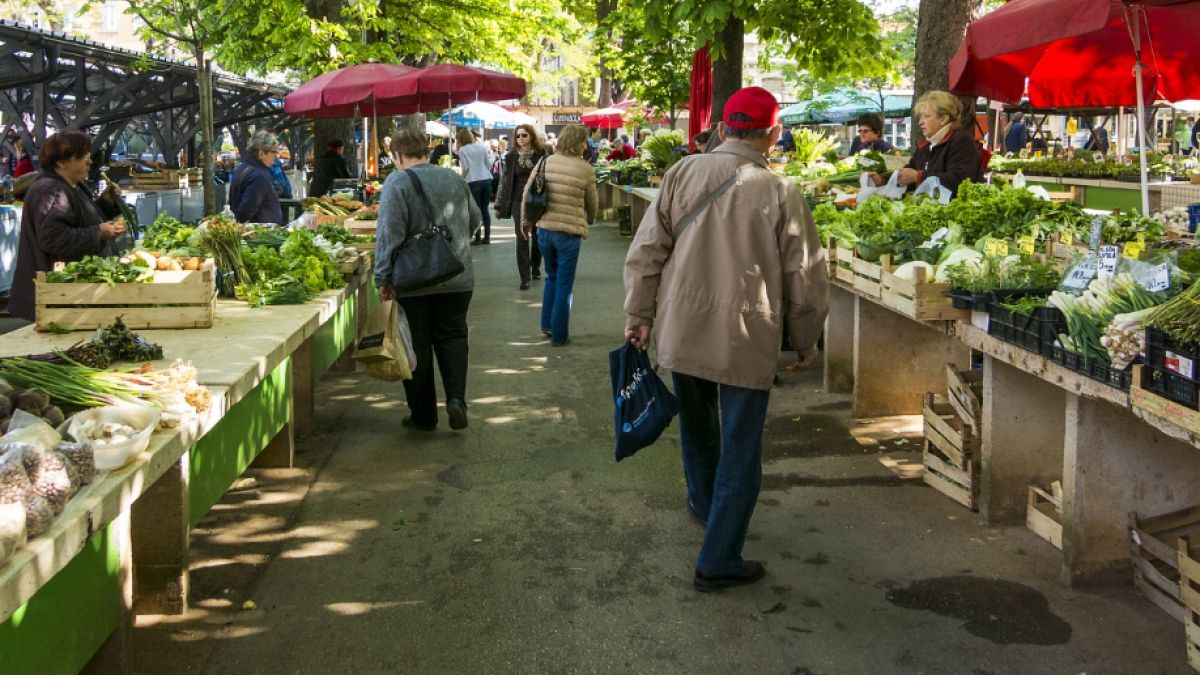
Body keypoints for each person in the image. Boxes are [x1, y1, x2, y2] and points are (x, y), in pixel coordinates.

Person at [623, 86, 829, 592]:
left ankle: (704, 503)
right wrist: (805, 338)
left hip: (683, 326)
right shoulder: (781, 192)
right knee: (741, 446)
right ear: (774, 135)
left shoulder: (681, 173)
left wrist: (639, 314)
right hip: (745, 334)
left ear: (720, 129)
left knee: (697, 428)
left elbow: (647, 249)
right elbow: (804, 275)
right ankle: (719, 557)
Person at [374, 128, 481, 432]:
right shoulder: (453, 178)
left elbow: (389, 234)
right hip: (457, 275)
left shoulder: (397, 182)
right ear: (426, 150)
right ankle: (457, 401)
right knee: (454, 337)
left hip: (414, 280)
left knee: (416, 345)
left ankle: (423, 415)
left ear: (397, 154)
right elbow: (475, 219)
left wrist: (382, 276)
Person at [9, 130, 126, 321]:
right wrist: (97, 233)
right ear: (61, 162)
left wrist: (105, 203)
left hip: (65, 295)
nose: (89, 162)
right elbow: (54, 239)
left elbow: (78, 218)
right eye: (82, 157)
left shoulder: (70, 185)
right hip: (56, 297)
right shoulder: (52, 191)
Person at [520, 124, 597, 346]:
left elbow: (528, 191)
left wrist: (526, 222)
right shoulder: (585, 169)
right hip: (569, 234)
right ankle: (560, 335)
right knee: (564, 283)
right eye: (584, 141)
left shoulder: (546, 161)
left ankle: (547, 325)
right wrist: (590, 219)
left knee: (551, 278)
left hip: (544, 230)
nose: (586, 145)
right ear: (578, 143)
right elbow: (592, 202)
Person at [871, 91, 984, 198]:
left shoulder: (961, 141)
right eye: (920, 117)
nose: (920, 122)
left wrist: (918, 176)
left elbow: (958, 181)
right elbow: (909, 171)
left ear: (943, 119)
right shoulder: (927, 145)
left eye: (926, 116)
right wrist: (883, 180)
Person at [495, 123, 548, 290]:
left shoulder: (542, 154)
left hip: (537, 200)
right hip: (518, 201)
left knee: (538, 236)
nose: (521, 139)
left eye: (524, 135)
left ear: (532, 136)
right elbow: (504, 181)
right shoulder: (511, 157)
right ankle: (524, 277)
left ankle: (535, 266)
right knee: (522, 238)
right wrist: (499, 204)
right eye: (518, 136)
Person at [229, 130, 284, 224]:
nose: (276, 156)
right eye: (273, 152)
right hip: (258, 233)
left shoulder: (242, 168)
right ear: (261, 153)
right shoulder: (258, 176)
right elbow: (246, 211)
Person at [455, 128, 494, 245]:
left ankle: (477, 237)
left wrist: (461, 177)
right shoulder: (481, 147)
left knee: (475, 211)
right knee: (485, 209)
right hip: (486, 179)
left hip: (473, 181)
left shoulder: (462, 150)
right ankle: (487, 237)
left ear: (460, 139)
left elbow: (466, 167)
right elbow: (488, 164)